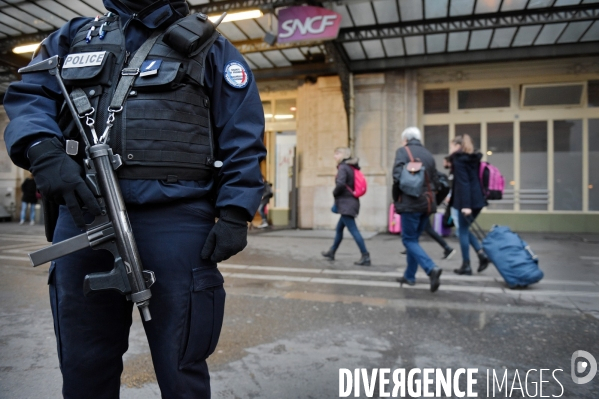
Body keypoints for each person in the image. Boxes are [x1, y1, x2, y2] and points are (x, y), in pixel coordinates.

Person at [3, 1, 266, 398]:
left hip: (176, 220)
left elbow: (242, 130)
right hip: (84, 215)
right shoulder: (75, 36)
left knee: (182, 367)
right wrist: (42, 148)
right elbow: (27, 94)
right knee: (84, 366)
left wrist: (235, 210)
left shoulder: (210, 45)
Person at [392, 127, 442, 292]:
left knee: (408, 240)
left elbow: (397, 176)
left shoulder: (403, 151)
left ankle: (431, 268)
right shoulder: (428, 154)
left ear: (406, 139)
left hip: (411, 203)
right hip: (427, 204)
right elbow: (435, 180)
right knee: (414, 240)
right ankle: (410, 276)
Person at [447, 134, 490, 275]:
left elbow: (464, 183)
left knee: (462, 231)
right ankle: (481, 255)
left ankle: (466, 265)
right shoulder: (472, 159)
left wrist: (466, 205)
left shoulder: (459, 160)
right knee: (464, 229)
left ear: (458, 146)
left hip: (468, 202)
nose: (450, 148)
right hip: (477, 200)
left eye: (452, 145)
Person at [321, 147, 370, 266]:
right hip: (350, 202)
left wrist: (334, 193)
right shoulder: (350, 167)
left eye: (337, 153)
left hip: (346, 204)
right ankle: (332, 252)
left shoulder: (343, 167)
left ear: (343, 155)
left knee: (353, 230)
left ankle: (365, 255)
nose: (334, 156)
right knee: (339, 229)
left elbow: (341, 184)